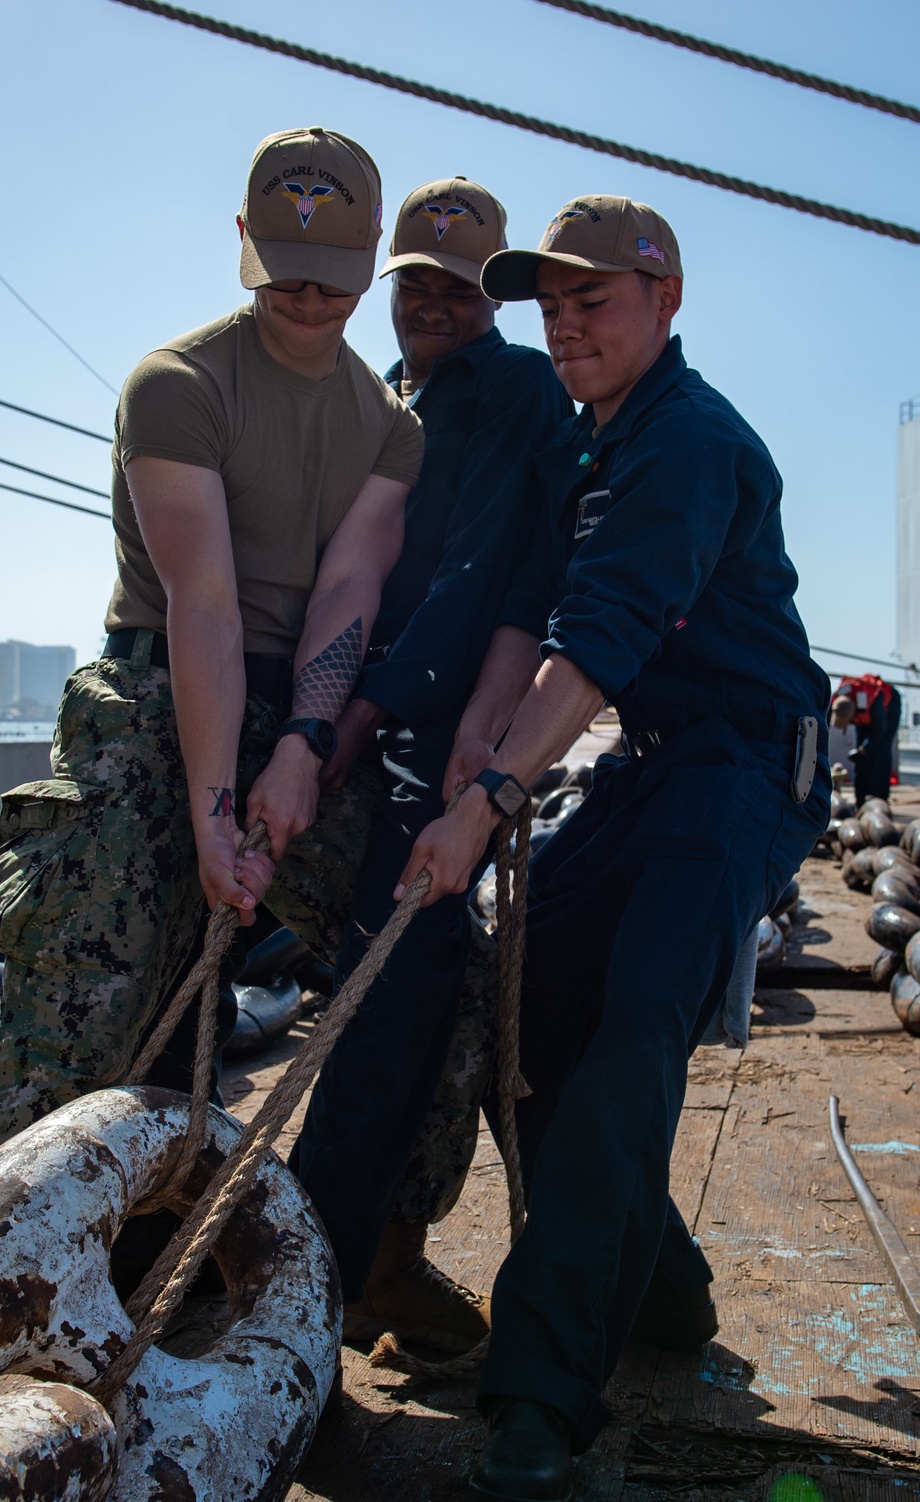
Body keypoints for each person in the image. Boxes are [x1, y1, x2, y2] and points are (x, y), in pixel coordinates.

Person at [395, 196, 831, 1499]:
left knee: (640, 1026)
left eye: (597, 297)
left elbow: (599, 640)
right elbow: (535, 618)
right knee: (533, 994)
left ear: (668, 301)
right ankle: (664, 1288)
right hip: (655, 764)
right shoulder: (595, 442)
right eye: (552, 301)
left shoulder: (689, 440)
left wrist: (482, 804)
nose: (568, 321)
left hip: (750, 762)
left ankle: (539, 1391)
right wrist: (473, 779)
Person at [0, 126, 424, 1192]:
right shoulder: (176, 381)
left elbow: (348, 589)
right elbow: (203, 603)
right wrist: (213, 812)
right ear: (244, 238)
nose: (307, 300)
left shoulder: (389, 426)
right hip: (158, 696)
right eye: (285, 274)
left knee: (427, 961)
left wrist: (302, 741)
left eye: (334, 282)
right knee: (77, 1025)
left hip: (295, 702)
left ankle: (363, 1249)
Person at [289, 177, 571, 1350]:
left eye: (458, 289)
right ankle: (350, 1256)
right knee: (392, 988)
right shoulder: (393, 393)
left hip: (437, 732)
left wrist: (372, 713)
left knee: (392, 995)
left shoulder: (512, 393)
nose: (433, 304)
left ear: (488, 295)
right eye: (417, 284)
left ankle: (321, 1271)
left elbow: (485, 578)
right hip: (365, 715)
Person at [829, 674, 901, 805]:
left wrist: (864, 748)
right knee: (860, 755)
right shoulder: (837, 699)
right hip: (865, 712)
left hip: (888, 706)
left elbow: (879, 730)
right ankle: (860, 797)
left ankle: (880, 797)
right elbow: (827, 718)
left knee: (881, 749)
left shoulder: (874, 705)